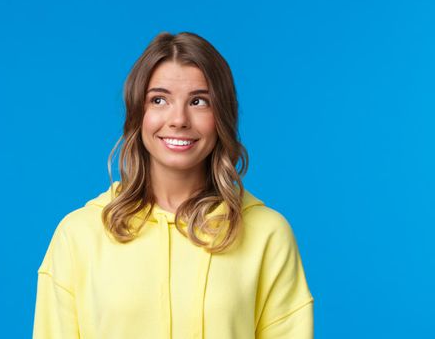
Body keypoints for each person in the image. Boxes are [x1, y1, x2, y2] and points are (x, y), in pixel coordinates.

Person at [32, 31, 314, 339]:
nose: (178, 119)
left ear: (221, 116)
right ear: (138, 113)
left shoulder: (268, 233)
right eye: (159, 100)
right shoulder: (78, 235)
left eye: (198, 101)